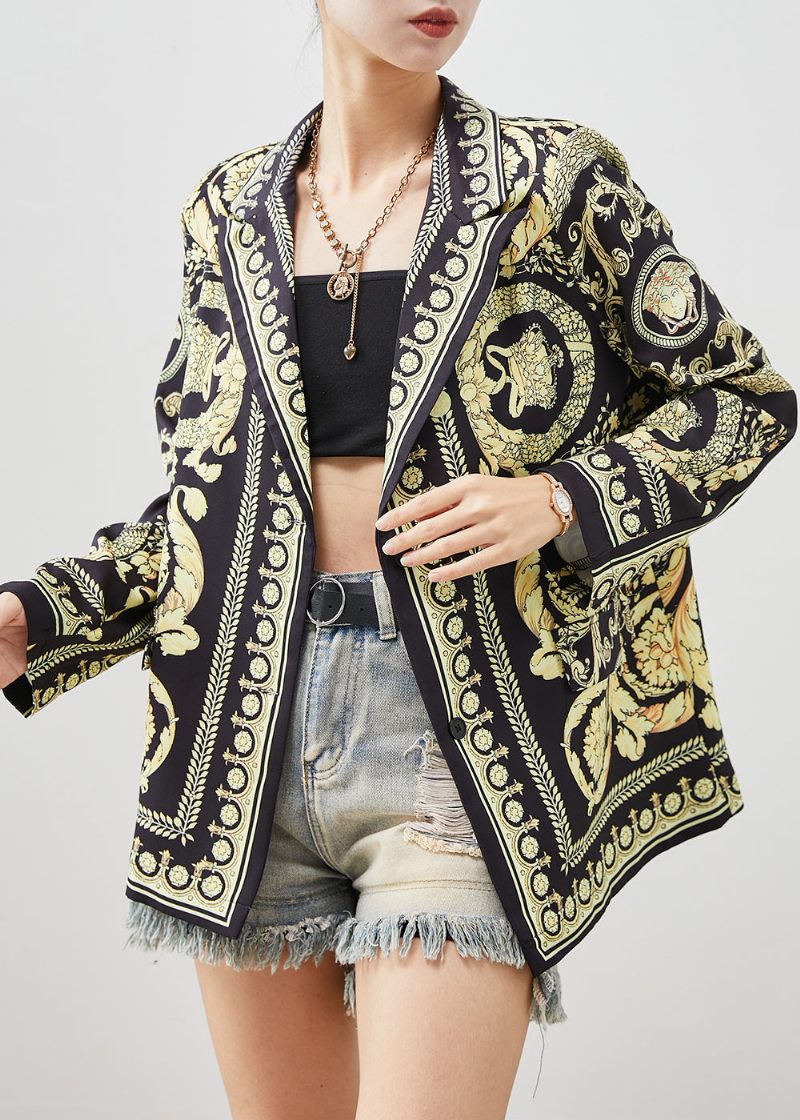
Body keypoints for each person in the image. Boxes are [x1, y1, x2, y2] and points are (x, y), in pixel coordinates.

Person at [0, 3, 796, 1118]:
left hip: (457, 734)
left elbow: (740, 399)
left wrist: (560, 498)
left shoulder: (557, 181)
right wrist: (39, 615)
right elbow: (206, 514)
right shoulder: (226, 210)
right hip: (247, 745)